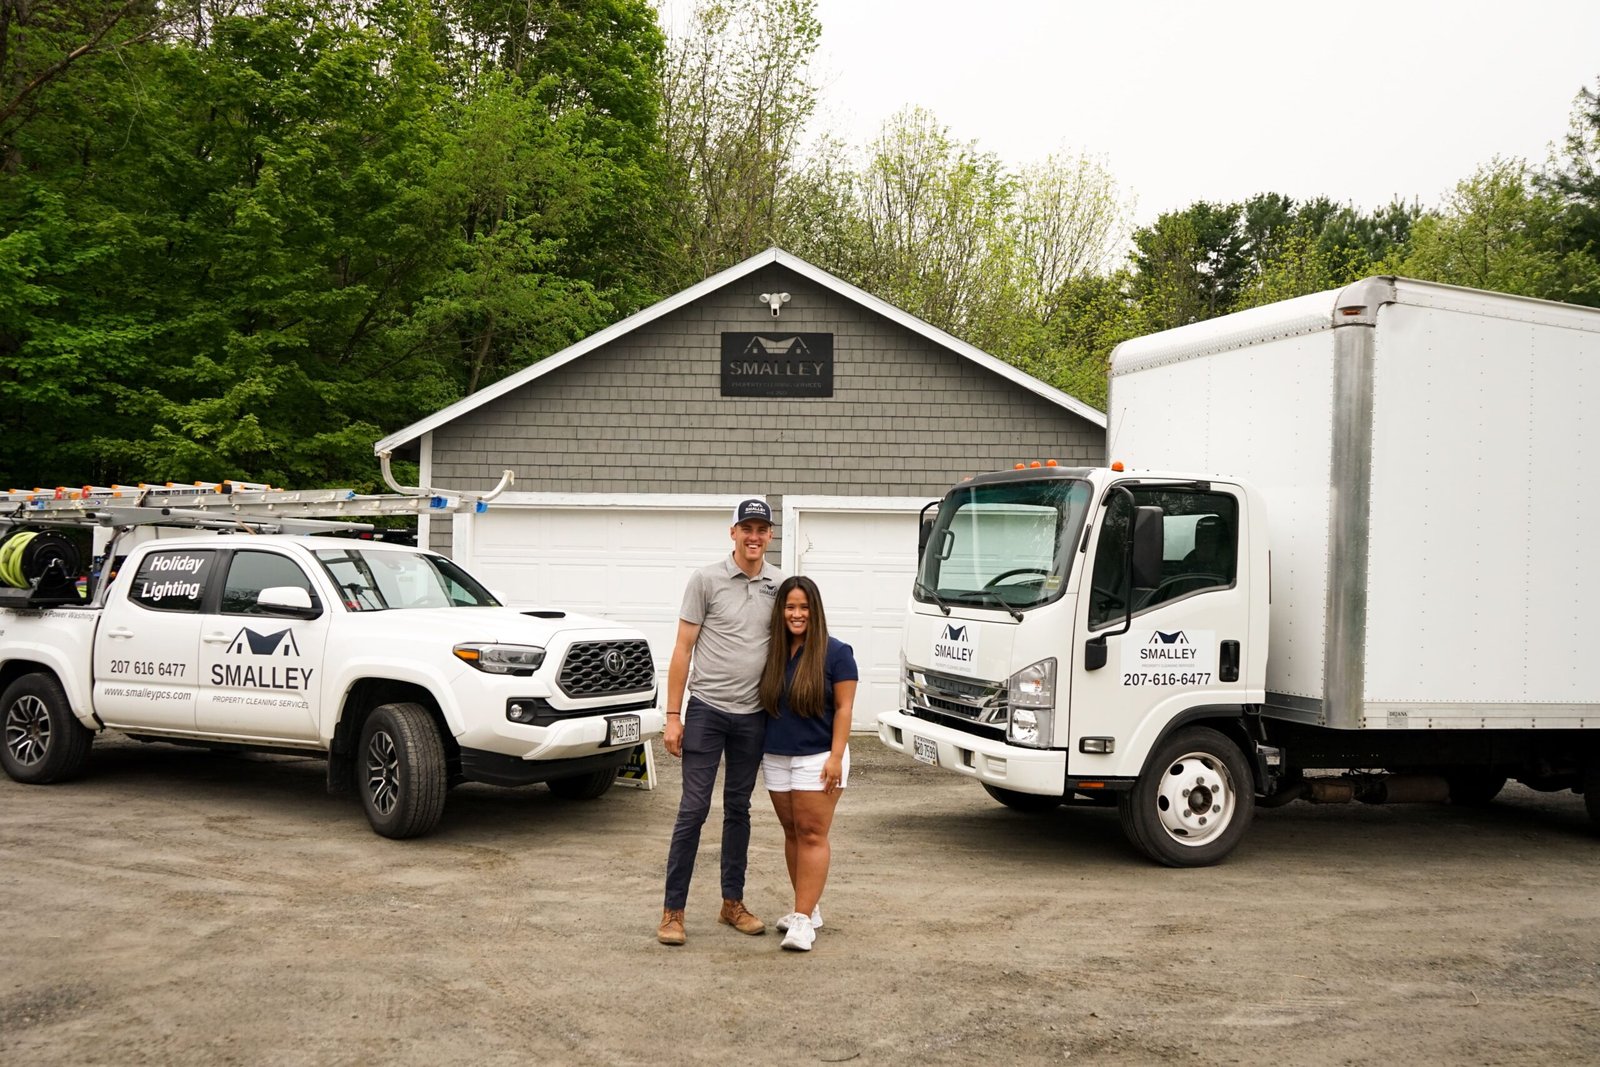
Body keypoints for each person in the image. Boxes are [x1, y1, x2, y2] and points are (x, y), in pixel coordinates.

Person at [656, 497, 784, 946]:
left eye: (761, 529)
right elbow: (682, 649)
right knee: (693, 809)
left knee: (738, 809)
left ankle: (732, 903)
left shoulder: (780, 585)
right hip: (707, 710)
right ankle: (673, 911)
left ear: (770, 535)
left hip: (753, 716)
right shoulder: (706, 580)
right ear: (733, 532)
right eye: (746, 528)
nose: (754, 536)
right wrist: (673, 716)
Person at [758, 575, 857, 952]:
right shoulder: (773, 653)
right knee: (792, 832)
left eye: (803, 607)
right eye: (789, 607)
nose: (796, 614)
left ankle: (801, 922)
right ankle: (808, 908)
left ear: (815, 610)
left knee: (813, 834)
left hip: (819, 757)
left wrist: (835, 757)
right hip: (777, 756)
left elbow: (845, 709)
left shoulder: (837, 653)